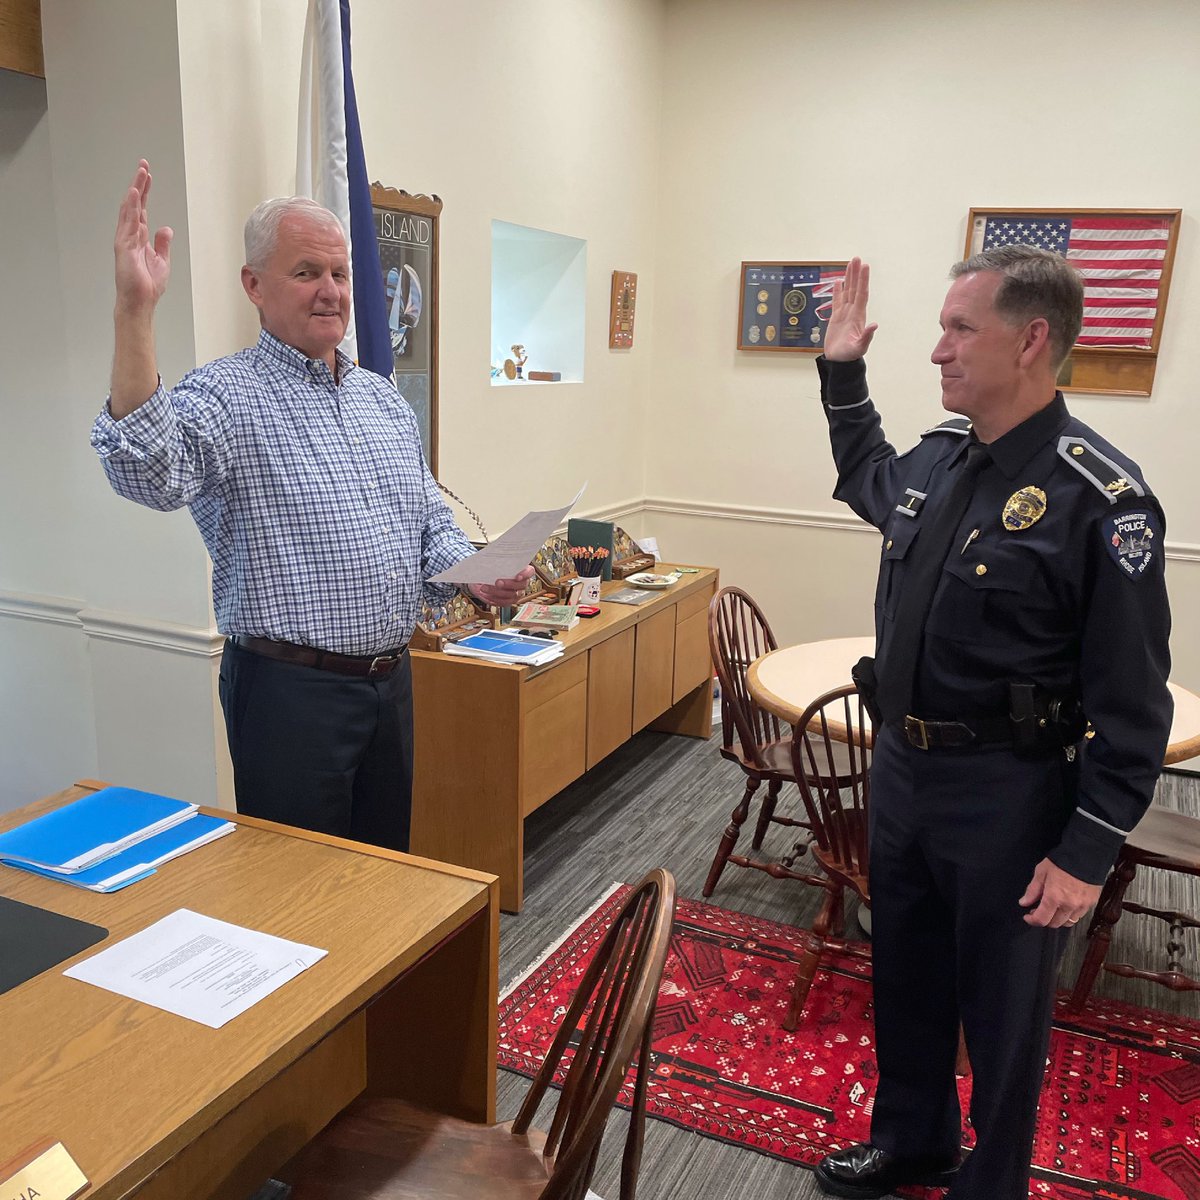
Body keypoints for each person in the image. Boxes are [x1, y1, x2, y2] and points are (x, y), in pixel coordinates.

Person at [812, 250, 1172, 1199]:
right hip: (905, 774)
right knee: (907, 970)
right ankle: (914, 1137)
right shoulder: (939, 462)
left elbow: (1135, 703)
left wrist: (1088, 849)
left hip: (1010, 792)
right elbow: (864, 475)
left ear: (1033, 339)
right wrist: (840, 370)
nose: (937, 350)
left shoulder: (1101, 499)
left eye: (961, 329)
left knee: (1005, 1013)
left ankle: (991, 1182)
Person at [92, 160, 533, 851]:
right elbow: (149, 473)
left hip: (392, 685)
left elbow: (428, 526)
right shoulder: (225, 397)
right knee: (300, 897)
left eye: (340, 274)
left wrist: (475, 569)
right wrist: (135, 312)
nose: (330, 291)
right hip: (288, 697)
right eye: (306, 273)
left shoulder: (381, 400)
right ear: (255, 286)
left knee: (388, 874)